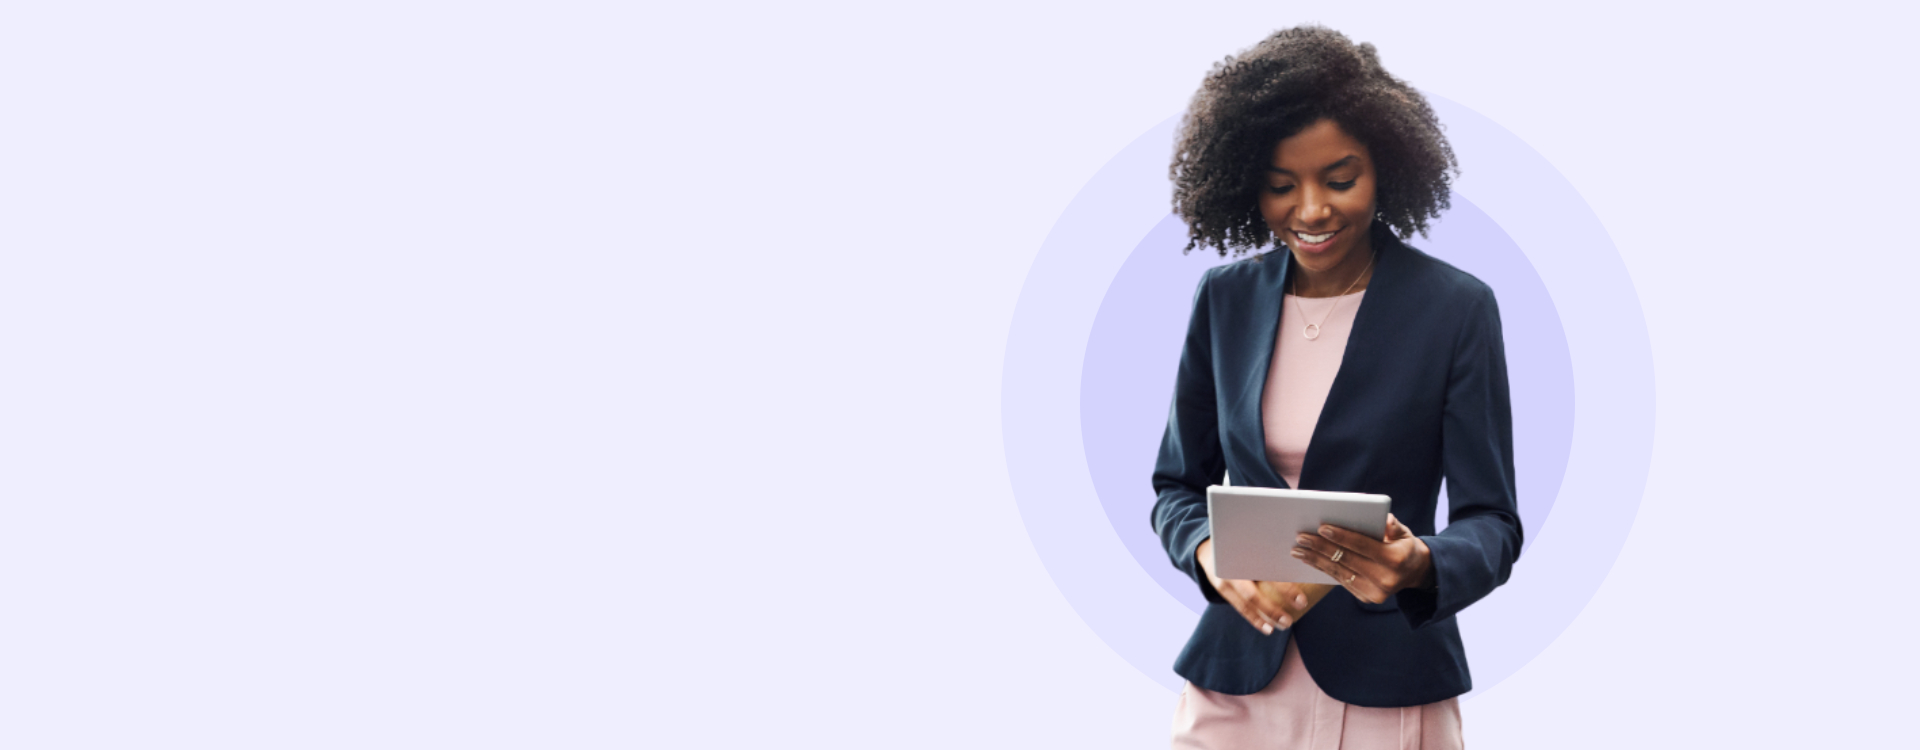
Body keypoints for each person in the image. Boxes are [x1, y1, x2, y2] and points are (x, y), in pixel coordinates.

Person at [1151, 26, 1523, 749]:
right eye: (1281, 186)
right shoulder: (1223, 299)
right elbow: (1176, 488)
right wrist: (1208, 554)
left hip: (1388, 686)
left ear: (1387, 169)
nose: (1312, 210)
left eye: (1340, 178)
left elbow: (1493, 524)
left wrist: (1418, 563)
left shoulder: (1455, 309)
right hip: (1235, 683)